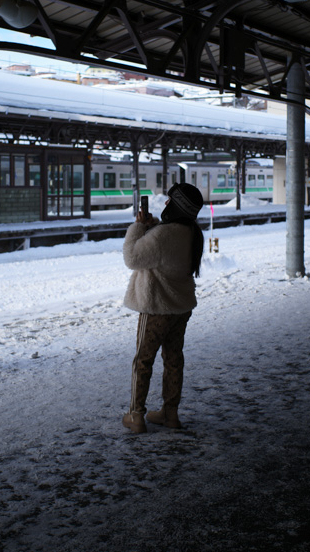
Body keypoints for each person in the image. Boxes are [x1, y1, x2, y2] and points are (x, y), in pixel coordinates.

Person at [121, 183, 205, 434]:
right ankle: (170, 414)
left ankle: (136, 414)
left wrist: (138, 227)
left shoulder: (162, 236)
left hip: (156, 307)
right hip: (180, 308)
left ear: (178, 206)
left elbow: (132, 258)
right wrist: (152, 225)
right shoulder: (191, 232)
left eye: (170, 202)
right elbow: (163, 241)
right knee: (173, 360)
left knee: (143, 361)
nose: (166, 204)